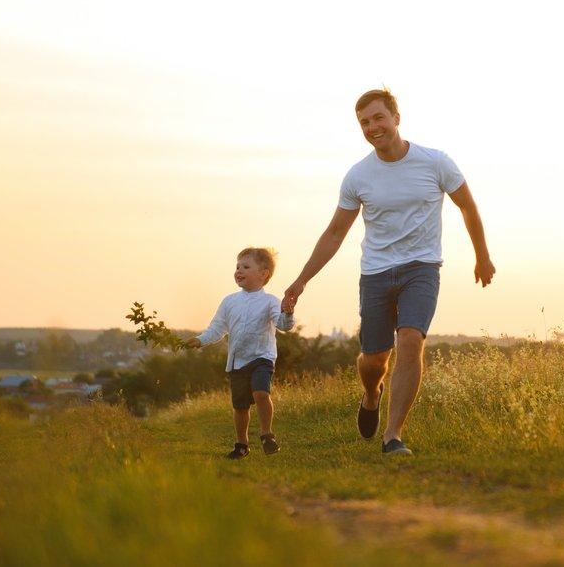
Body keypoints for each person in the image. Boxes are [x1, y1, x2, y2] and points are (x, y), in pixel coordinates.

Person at [281, 89, 495, 456]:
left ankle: (393, 435)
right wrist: (301, 279)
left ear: (396, 118)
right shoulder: (358, 176)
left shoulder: (436, 162)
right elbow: (335, 233)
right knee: (374, 359)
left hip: (422, 268)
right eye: (364, 122)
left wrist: (482, 256)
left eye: (378, 118)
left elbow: (468, 207)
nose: (372, 127)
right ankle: (370, 394)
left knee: (411, 341)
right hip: (376, 273)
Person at [185, 247, 295, 459]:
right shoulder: (229, 301)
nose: (239, 271)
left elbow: (283, 325)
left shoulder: (270, 301)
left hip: (262, 357)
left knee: (261, 394)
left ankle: (266, 434)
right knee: (240, 406)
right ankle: (242, 445)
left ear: (264, 274)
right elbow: (217, 329)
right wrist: (199, 340)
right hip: (237, 361)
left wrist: (288, 312)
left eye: (245, 267)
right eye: (237, 267)